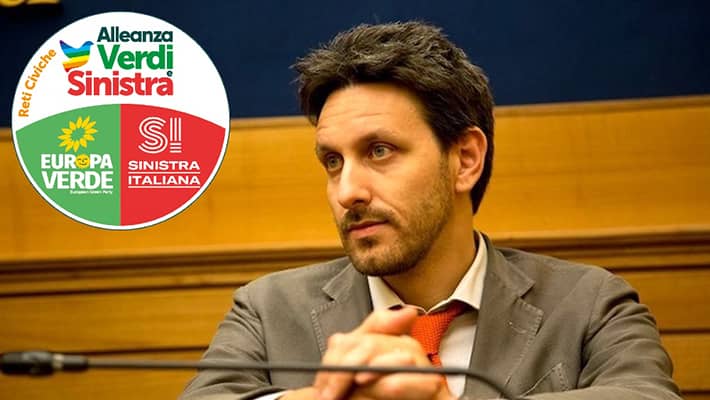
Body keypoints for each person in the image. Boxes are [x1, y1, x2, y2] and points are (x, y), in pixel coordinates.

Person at [181, 22, 681, 400]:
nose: (347, 191)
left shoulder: (589, 303)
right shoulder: (267, 309)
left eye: (379, 151)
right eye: (333, 161)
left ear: (465, 159)